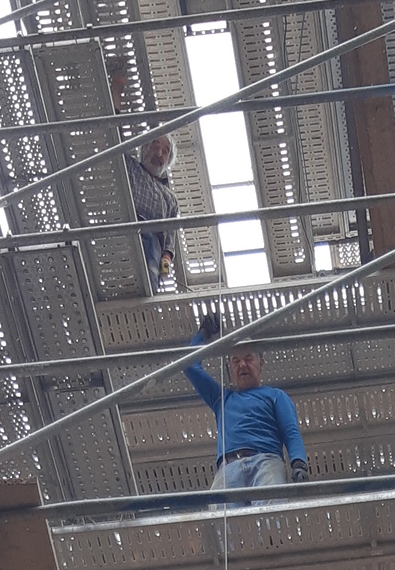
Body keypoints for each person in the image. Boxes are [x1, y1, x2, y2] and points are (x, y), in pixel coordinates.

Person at [184, 312, 309, 491]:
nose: (242, 364)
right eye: (236, 361)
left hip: (266, 461)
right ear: (231, 368)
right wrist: (203, 334)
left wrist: (299, 463)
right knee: (222, 510)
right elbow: (190, 366)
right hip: (228, 468)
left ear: (261, 363)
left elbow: (290, 431)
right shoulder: (222, 399)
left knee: (271, 508)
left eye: (248, 358)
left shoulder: (275, 396)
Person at [125, 132, 178, 292]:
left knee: (150, 275)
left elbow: (169, 238)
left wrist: (166, 261)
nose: (159, 154)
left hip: (152, 242)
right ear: (145, 149)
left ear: (168, 161)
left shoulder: (170, 199)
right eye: (155, 146)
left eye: (165, 151)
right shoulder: (130, 167)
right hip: (127, 224)